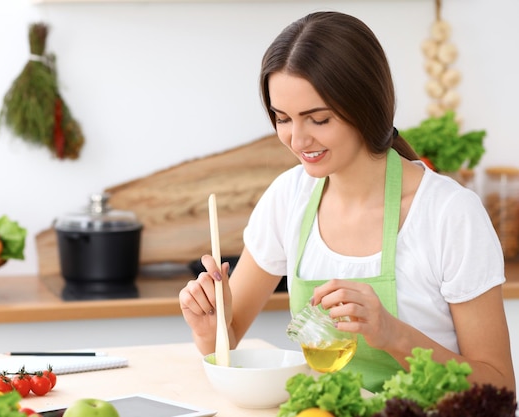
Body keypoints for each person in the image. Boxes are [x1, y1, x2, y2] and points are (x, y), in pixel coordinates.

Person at [178, 11, 515, 393]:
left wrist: (392, 333)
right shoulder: (289, 198)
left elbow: (501, 390)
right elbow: (230, 338)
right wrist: (210, 328)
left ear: (365, 106)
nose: (297, 139)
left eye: (318, 119)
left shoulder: (449, 214)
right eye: (282, 118)